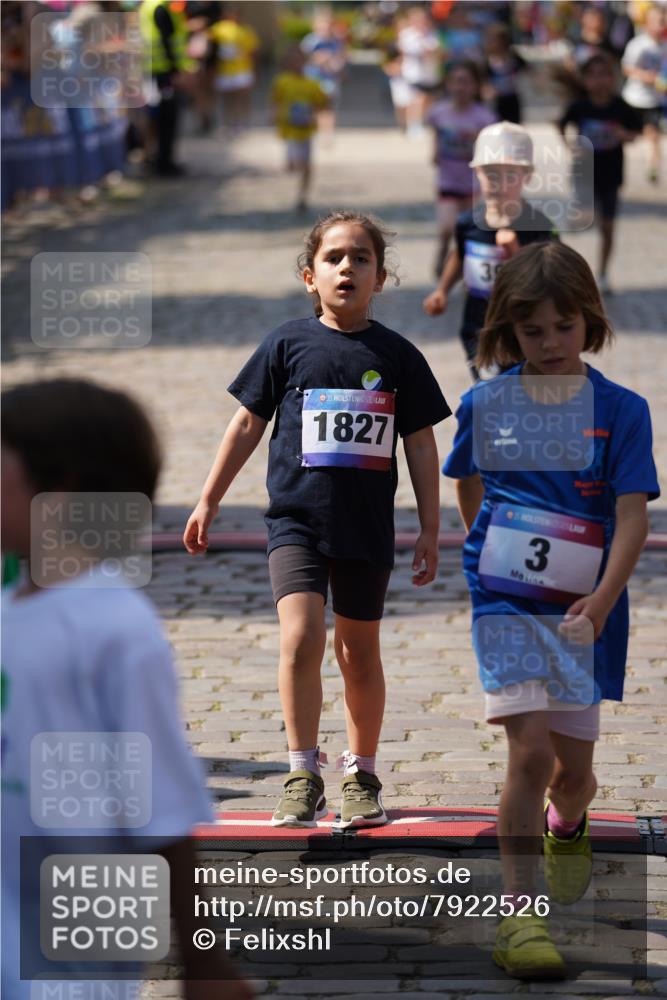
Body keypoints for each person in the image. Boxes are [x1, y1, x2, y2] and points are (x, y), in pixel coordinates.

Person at [183, 211, 451, 830]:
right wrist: (208, 499)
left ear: (381, 278)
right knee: (301, 639)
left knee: (358, 653)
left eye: (361, 258)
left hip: (366, 527)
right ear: (310, 276)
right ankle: (302, 772)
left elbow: (420, 443)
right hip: (296, 522)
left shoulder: (398, 355)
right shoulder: (286, 344)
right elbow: (246, 423)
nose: (347, 267)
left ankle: (362, 775)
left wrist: (431, 528)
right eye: (333, 258)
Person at [443, 241, 659, 979]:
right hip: (503, 601)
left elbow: (632, 517)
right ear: (507, 330)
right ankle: (519, 918)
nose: (550, 343)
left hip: (582, 613)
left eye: (564, 326)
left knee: (571, 776)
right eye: (531, 330)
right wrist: (487, 551)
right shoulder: (485, 404)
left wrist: (601, 600)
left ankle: (568, 822)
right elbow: (466, 480)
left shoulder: (622, 411)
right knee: (529, 753)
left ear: (589, 321)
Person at [1, 379, 252, 1000]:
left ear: (57, 492)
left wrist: (205, 963)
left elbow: (164, 809)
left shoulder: (114, 626)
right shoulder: (9, 602)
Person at [423, 121, 558, 381]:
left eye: (510, 175)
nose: (499, 183)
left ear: (527, 175)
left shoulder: (540, 227)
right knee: (488, 390)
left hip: (525, 329)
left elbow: (552, 278)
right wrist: (442, 290)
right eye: (491, 173)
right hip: (479, 328)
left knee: (521, 391)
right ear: (478, 173)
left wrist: (515, 253)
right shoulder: (468, 222)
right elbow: (460, 255)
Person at [559, 53, 642, 295]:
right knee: (581, 222)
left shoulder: (620, 106)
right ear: (584, 80)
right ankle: (572, 273)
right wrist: (569, 145)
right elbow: (561, 124)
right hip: (584, 172)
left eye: (604, 75)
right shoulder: (580, 106)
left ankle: (603, 274)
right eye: (593, 75)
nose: (599, 81)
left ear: (613, 78)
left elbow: (637, 131)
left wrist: (624, 135)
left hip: (611, 173)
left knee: (607, 227)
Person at [426, 59, 496, 278]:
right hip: (448, 181)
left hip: (474, 184)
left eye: (466, 82)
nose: (460, 87)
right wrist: (434, 151)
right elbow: (436, 134)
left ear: (475, 86)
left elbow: (492, 150)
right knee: (447, 227)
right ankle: (442, 253)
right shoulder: (438, 112)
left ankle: (466, 270)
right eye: (456, 81)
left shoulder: (485, 117)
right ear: (448, 84)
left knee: (469, 231)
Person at [139, 0, 195, 176]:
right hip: (163, 73)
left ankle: (158, 158)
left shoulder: (150, 5)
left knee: (158, 117)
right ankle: (164, 162)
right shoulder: (160, 7)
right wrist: (176, 71)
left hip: (155, 70)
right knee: (167, 118)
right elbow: (167, 40)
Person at [271, 47, 329, 211]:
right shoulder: (282, 82)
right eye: (293, 62)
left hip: (306, 130)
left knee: (307, 166)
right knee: (293, 165)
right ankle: (296, 174)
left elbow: (322, 104)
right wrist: (275, 116)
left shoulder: (312, 84)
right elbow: (275, 100)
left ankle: (302, 196)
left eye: (299, 61)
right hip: (289, 129)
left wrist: (315, 114)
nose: (296, 65)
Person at [622, 4, 667, 183]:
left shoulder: (664, 46)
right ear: (646, 23)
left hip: (653, 100)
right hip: (634, 98)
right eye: (657, 21)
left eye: (663, 21)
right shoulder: (638, 45)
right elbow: (626, 68)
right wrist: (646, 77)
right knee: (627, 135)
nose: (661, 25)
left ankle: (652, 168)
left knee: (653, 135)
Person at [209, 4, 259, 130]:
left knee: (241, 98)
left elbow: (253, 52)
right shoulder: (220, 28)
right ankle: (228, 122)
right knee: (228, 99)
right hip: (225, 70)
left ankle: (242, 121)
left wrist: (253, 69)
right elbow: (208, 38)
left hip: (242, 69)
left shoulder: (246, 30)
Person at [396, 6, 444, 136]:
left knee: (428, 100)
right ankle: (413, 125)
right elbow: (408, 50)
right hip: (413, 73)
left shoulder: (431, 34)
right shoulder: (406, 34)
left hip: (430, 73)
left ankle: (422, 122)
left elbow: (437, 50)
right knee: (417, 99)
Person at [301, 9, 347, 138]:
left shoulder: (336, 41)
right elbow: (302, 58)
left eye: (327, 26)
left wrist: (340, 69)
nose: (324, 29)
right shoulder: (310, 41)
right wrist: (317, 58)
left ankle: (328, 132)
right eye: (321, 26)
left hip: (330, 79)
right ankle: (314, 128)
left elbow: (342, 58)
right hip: (313, 78)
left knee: (328, 106)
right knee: (314, 105)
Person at [483, 22, 527, 124]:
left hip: (512, 97)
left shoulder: (513, 57)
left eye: (495, 41)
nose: (492, 44)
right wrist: (488, 90)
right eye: (490, 41)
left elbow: (528, 71)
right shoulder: (487, 61)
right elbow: (484, 80)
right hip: (497, 100)